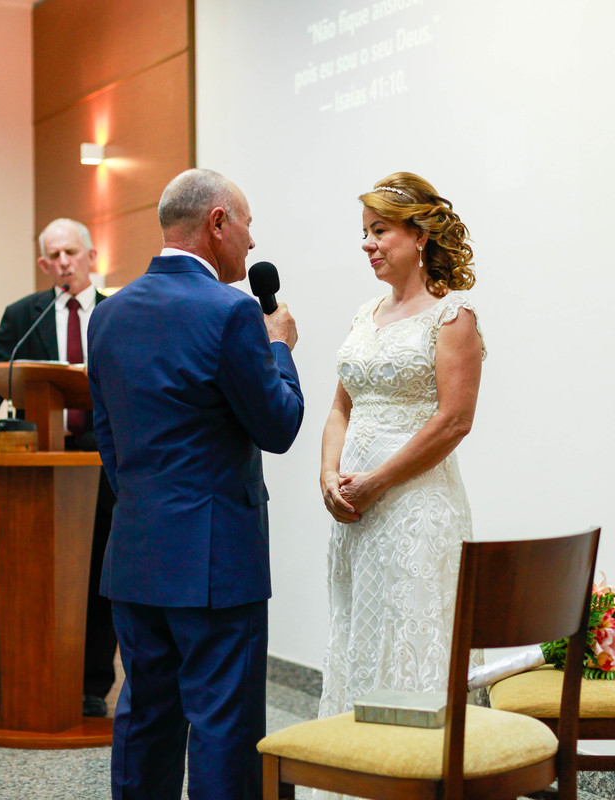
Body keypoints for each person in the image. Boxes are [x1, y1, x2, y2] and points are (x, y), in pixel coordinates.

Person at [87, 168, 303, 800]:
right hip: (216, 560)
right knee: (223, 725)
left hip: (136, 550)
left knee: (145, 717)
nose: (252, 242)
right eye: (247, 225)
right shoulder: (233, 312)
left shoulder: (109, 314)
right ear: (217, 222)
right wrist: (280, 348)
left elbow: (109, 440)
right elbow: (279, 425)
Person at [317, 172, 486, 726]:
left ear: (420, 235)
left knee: (413, 632)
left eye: (380, 230)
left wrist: (378, 481)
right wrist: (329, 474)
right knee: (359, 630)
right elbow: (340, 409)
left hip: (416, 510)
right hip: (356, 513)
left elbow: (454, 421)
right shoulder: (364, 316)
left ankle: (421, 761)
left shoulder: (452, 316)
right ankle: (359, 758)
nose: (368, 244)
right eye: (365, 232)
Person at [0, 218, 118, 718]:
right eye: (53, 256)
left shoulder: (116, 311)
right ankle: (34, 677)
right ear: (43, 264)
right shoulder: (25, 316)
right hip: (42, 463)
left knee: (97, 575)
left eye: (71, 253)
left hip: (104, 461)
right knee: (42, 575)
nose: (63, 262)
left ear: (91, 256)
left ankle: (91, 686)